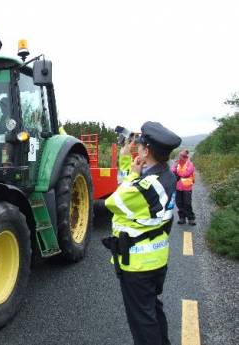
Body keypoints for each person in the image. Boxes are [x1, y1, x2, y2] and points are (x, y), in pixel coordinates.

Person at [102, 121, 181, 345]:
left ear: (146, 151)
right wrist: (128, 161)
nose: (136, 147)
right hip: (154, 260)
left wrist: (131, 172)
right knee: (152, 311)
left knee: (142, 322)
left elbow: (115, 200)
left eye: (139, 145)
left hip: (138, 265)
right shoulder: (165, 176)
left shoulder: (147, 187)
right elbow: (132, 185)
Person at [171, 150, 196, 225]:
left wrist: (177, 173)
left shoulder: (190, 164)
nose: (180, 157)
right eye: (180, 155)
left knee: (187, 203)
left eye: (181, 156)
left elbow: (186, 174)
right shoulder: (177, 164)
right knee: (179, 203)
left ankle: (191, 219)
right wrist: (175, 166)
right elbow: (172, 171)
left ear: (185, 157)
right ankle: (182, 218)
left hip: (187, 187)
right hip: (178, 187)